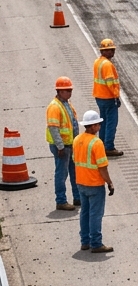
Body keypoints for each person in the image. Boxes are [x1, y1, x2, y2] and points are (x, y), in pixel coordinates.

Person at [73, 110, 114, 253]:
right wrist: (109, 182)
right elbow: (102, 167)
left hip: (80, 183)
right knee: (95, 214)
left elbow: (75, 160)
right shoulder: (97, 143)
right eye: (98, 124)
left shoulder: (77, 139)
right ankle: (96, 243)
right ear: (93, 126)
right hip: (94, 184)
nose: (100, 127)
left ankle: (85, 241)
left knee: (85, 213)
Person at [46, 76, 79, 211]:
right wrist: (60, 146)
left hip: (70, 145)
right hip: (62, 146)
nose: (69, 92)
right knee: (61, 174)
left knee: (74, 171)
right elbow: (53, 129)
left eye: (70, 90)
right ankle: (61, 200)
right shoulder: (54, 106)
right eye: (66, 90)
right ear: (59, 91)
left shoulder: (67, 103)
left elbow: (73, 124)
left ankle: (77, 198)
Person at [93, 38, 123, 157]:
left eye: (112, 49)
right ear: (103, 51)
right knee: (111, 122)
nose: (112, 52)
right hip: (108, 97)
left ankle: (102, 144)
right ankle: (109, 147)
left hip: (99, 96)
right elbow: (110, 83)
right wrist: (116, 96)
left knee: (103, 122)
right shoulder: (107, 65)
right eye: (109, 50)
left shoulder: (97, 62)